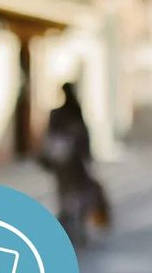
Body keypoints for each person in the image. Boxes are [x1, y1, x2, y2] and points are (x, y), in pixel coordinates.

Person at [39, 82, 111, 246]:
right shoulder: (73, 113)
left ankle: (72, 230)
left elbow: (51, 140)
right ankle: (76, 229)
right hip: (73, 166)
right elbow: (84, 140)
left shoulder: (61, 114)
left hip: (65, 166)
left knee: (66, 197)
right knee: (77, 197)